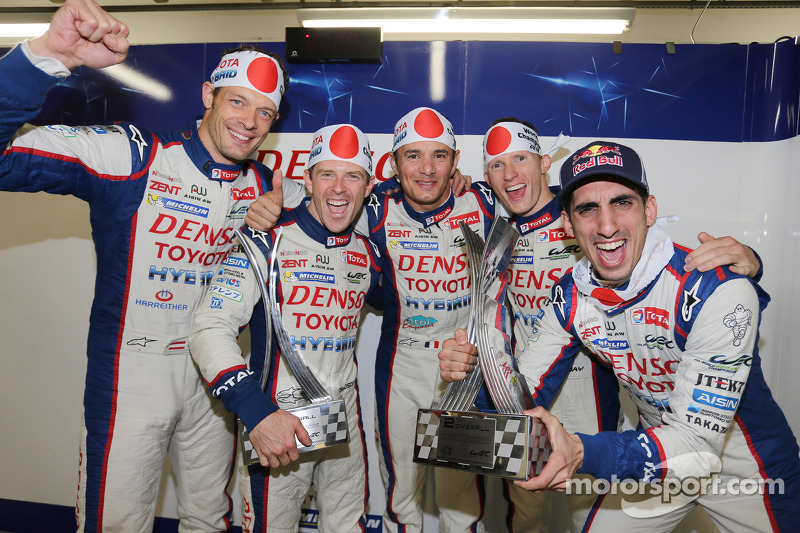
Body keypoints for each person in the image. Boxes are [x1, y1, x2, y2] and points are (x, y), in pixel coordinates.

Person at [0, 0, 304, 530]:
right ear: (208, 95)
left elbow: (351, 208)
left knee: (208, 519)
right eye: (238, 102)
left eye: (265, 113)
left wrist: (461, 191)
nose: (249, 123)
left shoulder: (265, 187)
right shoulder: (134, 157)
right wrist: (47, 55)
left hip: (215, 380)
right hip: (130, 377)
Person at [440, 140, 800, 532]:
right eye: (587, 209)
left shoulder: (716, 288)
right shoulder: (572, 293)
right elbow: (521, 395)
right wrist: (473, 376)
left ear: (650, 210)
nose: (607, 226)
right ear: (568, 225)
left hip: (745, 464)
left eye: (622, 203)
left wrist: (581, 451)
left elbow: (697, 444)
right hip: (656, 449)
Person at [190, 124, 379, 532]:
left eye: (353, 176)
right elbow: (208, 326)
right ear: (306, 179)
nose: (339, 189)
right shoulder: (265, 242)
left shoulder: (369, 253)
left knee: (348, 525)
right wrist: (256, 413)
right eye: (327, 174)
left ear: (369, 186)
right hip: (279, 421)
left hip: (343, 418)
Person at [366, 107, 496, 533]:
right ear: (393, 162)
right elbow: (314, 201)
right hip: (402, 368)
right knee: (399, 491)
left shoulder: (481, 201)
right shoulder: (375, 210)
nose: (426, 169)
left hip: (464, 368)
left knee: (459, 497)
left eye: (439, 156)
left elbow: (549, 202)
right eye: (413, 156)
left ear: (456, 161)